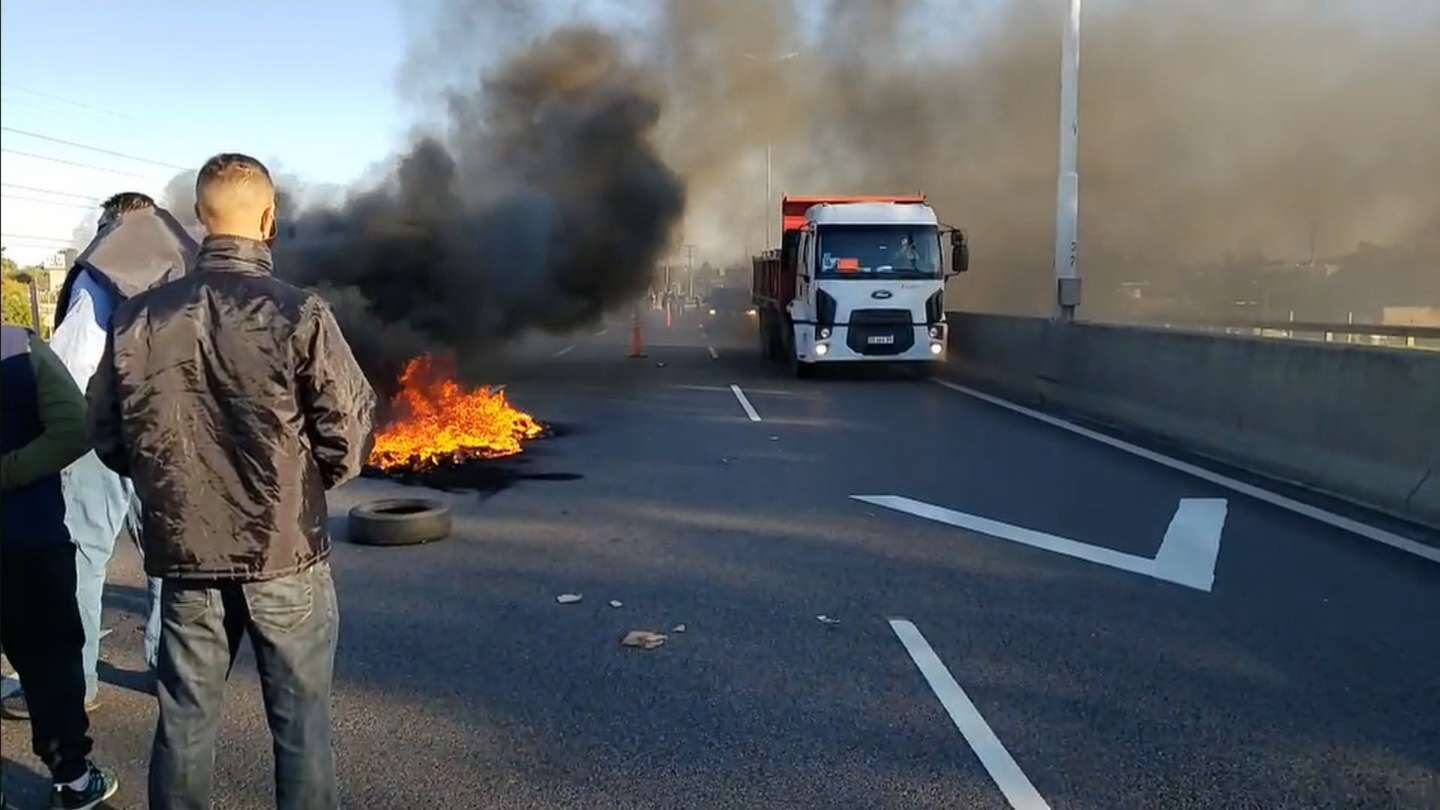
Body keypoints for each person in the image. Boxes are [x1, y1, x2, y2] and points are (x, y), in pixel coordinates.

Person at [88, 153, 375, 810]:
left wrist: (169, 486)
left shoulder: (138, 318)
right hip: (286, 557)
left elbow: (106, 431)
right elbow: (349, 436)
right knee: (301, 729)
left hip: (185, 557)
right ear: (269, 220)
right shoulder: (301, 313)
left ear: (198, 218)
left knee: (185, 722)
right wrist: (299, 489)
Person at [39, 193, 194, 718]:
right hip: (171, 436)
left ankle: (79, 682)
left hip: (101, 434)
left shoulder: (99, 274)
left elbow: (71, 365)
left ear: (111, 225)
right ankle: (168, 672)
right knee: (167, 561)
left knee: (85, 556)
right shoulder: (188, 268)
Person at [2, 324, 119, 809]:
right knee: (52, 666)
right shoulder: (17, 347)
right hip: (27, 541)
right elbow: (75, 428)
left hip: (27, 542)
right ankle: (71, 777)